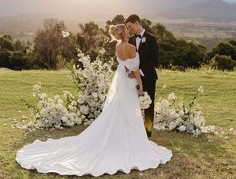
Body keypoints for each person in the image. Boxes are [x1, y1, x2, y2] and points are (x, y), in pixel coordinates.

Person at [16, 24, 172, 177]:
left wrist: (130, 72)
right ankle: (131, 141)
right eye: (127, 29)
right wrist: (139, 86)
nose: (129, 31)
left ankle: (118, 136)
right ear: (125, 33)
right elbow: (135, 70)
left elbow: (123, 65)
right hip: (130, 83)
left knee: (119, 108)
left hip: (121, 83)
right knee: (131, 110)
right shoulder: (131, 48)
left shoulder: (118, 46)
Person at [125, 14, 158, 138]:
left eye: (130, 26)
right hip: (134, 79)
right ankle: (136, 130)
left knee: (148, 105)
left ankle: (147, 133)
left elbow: (155, 60)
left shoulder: (151, 38)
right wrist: (131, 72)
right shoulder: (131, 40)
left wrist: (140, 72)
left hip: (148, 77)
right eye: (127, 28)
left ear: (137, 23)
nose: (129, 29)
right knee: (135, 104)